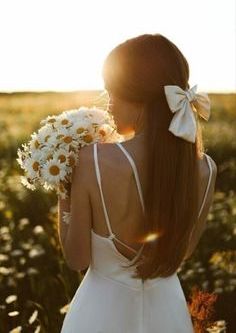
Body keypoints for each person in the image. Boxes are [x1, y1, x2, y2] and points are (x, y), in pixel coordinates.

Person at [59, 33, 217, 332]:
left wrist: (64, 184)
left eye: (113, 93)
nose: (109, 106)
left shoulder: (92, 160)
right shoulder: (206, 168)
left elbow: (76, 258)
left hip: (99, 315)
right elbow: (182, 253)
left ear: (138, 94)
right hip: (168, 314)